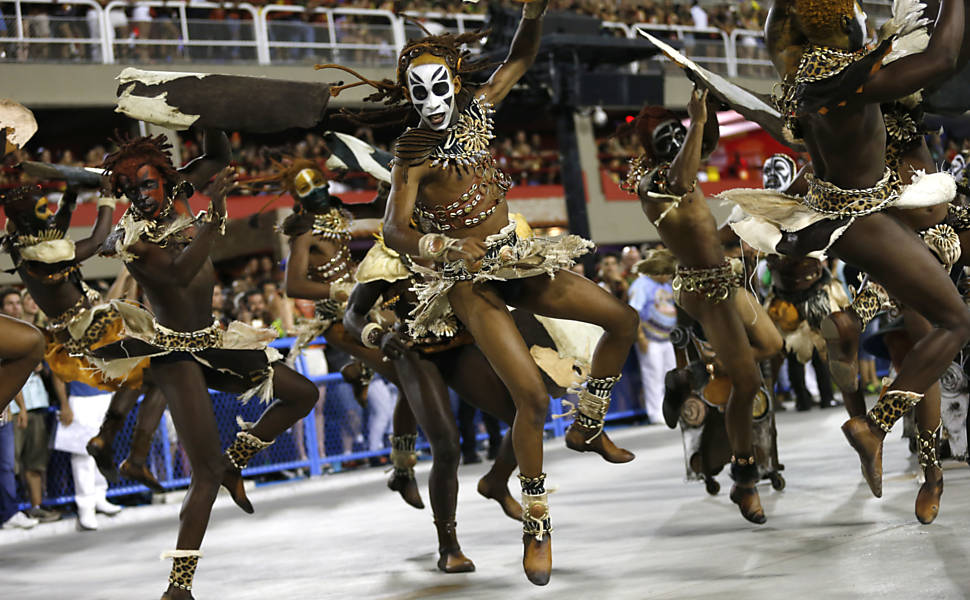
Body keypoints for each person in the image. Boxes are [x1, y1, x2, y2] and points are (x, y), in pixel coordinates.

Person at [322, 1, 639, 584]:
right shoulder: (412, 154)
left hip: (516, 260)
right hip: (468, 284)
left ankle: (589, 421)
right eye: (419, 93)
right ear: (409, 96)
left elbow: (519, 56)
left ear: (453, 80)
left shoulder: (479, 109)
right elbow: (394, 228)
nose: (432, 100)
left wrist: (534, 12)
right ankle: (537, 526)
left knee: (622, 322)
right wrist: (440, 249)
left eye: (439, 86)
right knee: (532, 400)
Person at [759, 0, 970, 504]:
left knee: (931, 336)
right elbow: (941, 58)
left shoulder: (806, 80)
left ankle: (910, 454)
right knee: (950, 325)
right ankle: (887, 435)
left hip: (867, 222)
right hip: (872, 222)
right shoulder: (851, 79)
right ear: (846, 27)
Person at [93, 134, 318, 599]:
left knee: (303, 394)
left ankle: (238, 461)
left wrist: (205, 109)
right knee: (205, 473)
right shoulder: (131, 240)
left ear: (166, 180)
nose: (141, 194)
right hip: (174, 355)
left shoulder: (177, 197)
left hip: (212, 340)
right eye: (131, 189)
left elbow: (219, 156)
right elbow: (178, 271)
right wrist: (215, 212)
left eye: (148, 184)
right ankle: (178, 589)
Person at [623, 88, 782, 524]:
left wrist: (707, 103)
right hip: (703, 290)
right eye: (665, 140)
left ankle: (695, 374)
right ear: (651, 151)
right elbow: (680, 171)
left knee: (773, 345)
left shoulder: (685, 170)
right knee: (748, 383)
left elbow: (705, 142)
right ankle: (744, 480)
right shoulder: (652, 183)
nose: (677, 143)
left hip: (725, 278)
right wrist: (693, 122)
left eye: (677, 135)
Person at [627, 258, 677, 423]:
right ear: (658, 272)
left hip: (667, 338)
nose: (669, 276)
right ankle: (655, 412)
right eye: (667, 273)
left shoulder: (665, 285)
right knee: (653, 376)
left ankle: (671, 409)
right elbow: (634, 313)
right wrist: (640, 337)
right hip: (650, 339)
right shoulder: (641, 285)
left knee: (670, 375)